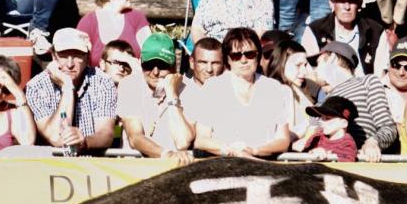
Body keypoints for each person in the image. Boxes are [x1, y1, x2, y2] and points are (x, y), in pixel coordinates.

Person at [192, 27, 292, 158]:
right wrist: (230, 150)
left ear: (258, 55)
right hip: (223, 162)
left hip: (264, 162)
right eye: (236, 55)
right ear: (228, 59)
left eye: (249, 54)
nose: (243, 60)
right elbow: (202, 140)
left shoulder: (273, 88)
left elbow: (283, 140)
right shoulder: (212, 88)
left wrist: (254, 151)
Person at [25, 27, 118, 153]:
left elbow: (105, 134)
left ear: (87, 57)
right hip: (51, 164)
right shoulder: (36, 86)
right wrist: (67, 87)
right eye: (63, 55)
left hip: (93, 162)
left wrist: (84, 142)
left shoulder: (103, 81)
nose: (70, 64)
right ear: (53, 56)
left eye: (77, 55)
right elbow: (57, 139)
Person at [313, 40, 399, 159]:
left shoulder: (367, 82)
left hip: (362, 162)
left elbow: (388, 128)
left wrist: (373, 142)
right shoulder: (320, 104)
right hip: (328, 163)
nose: (314, 70)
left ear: (332, 58)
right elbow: (311, 136)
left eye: (318, 63)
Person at [116, 32, 194, 160]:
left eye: (162, 65)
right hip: (136, 168)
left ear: (174, 66)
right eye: (149, 65)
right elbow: (135, 137)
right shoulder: (129, 85)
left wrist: (172, 94)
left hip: (173, 170)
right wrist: (166, 155)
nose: (155, 72)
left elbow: (183, 142)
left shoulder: (187, 89)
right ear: (141, 63)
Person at [301, 0, 390, 77]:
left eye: (352, 1)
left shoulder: (375, 31)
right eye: (341, 1)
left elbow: (380, 74)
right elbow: (309, 72)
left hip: (365, 88)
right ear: (331, 2)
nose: (347, 7)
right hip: (328, 87)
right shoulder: (315, 31)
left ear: (359, 4)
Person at [76, 0, 151, 67]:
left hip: (133, 80)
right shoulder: (88, 23)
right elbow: (79, 60)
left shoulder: (137, 18)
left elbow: (150, 54)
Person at [265, 37, 317, 136]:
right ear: (281, 64)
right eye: (298, 65)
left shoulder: (299, 87)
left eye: (305, 65)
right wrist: (315, 120)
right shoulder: (284, 90)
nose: (304, 71)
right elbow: (288, 134)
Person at [293, 93, 359, 160]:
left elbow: (348, 163)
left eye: (327, 118)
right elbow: (304, 155)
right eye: (321, 118)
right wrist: (296, 148)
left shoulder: (347, 143)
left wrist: (326, 156)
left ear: (344, 123)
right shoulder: (317, 136)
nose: (321, 121)